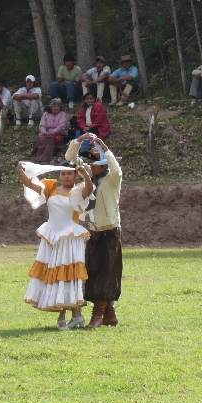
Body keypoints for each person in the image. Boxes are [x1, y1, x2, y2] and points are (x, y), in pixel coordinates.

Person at [17, 159, 94, 330]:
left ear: (75, 175)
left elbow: (88, 189)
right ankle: (76, 315)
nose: (66, 177)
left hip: (69, 237)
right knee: (56, 274)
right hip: (52, 236)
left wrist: (85, 175)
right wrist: (21, 170)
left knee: (67, 275)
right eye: (63, 173)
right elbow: (29, 183)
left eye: (69, 173)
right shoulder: (51, 189)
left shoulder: (78, 191)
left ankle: (64, 316)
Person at [65, 134, 122, 329]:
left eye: (95, 162)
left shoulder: (113, 179)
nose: (91, 165)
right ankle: (110, 315)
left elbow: (117, 167)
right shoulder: (92, 176)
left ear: (104, 165)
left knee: (107, 273)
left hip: (110, 231)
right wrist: (80, 140)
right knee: (94, 272)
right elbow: (70, 157)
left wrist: (103, 145)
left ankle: (98, 314)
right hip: (94, 231)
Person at [30, 98, 68, 163]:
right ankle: (40, 156)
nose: (56, 108)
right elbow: (42, 125)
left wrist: (52, 133)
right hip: (47, 133)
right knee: (41, 136)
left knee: (50, 138)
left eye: (58, 106)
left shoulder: (63, 114)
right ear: (50, 107)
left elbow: (62, 126)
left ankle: (45, 158)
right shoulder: (46, 114)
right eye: (54, 106)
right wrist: (44, 132)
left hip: (59, 133)